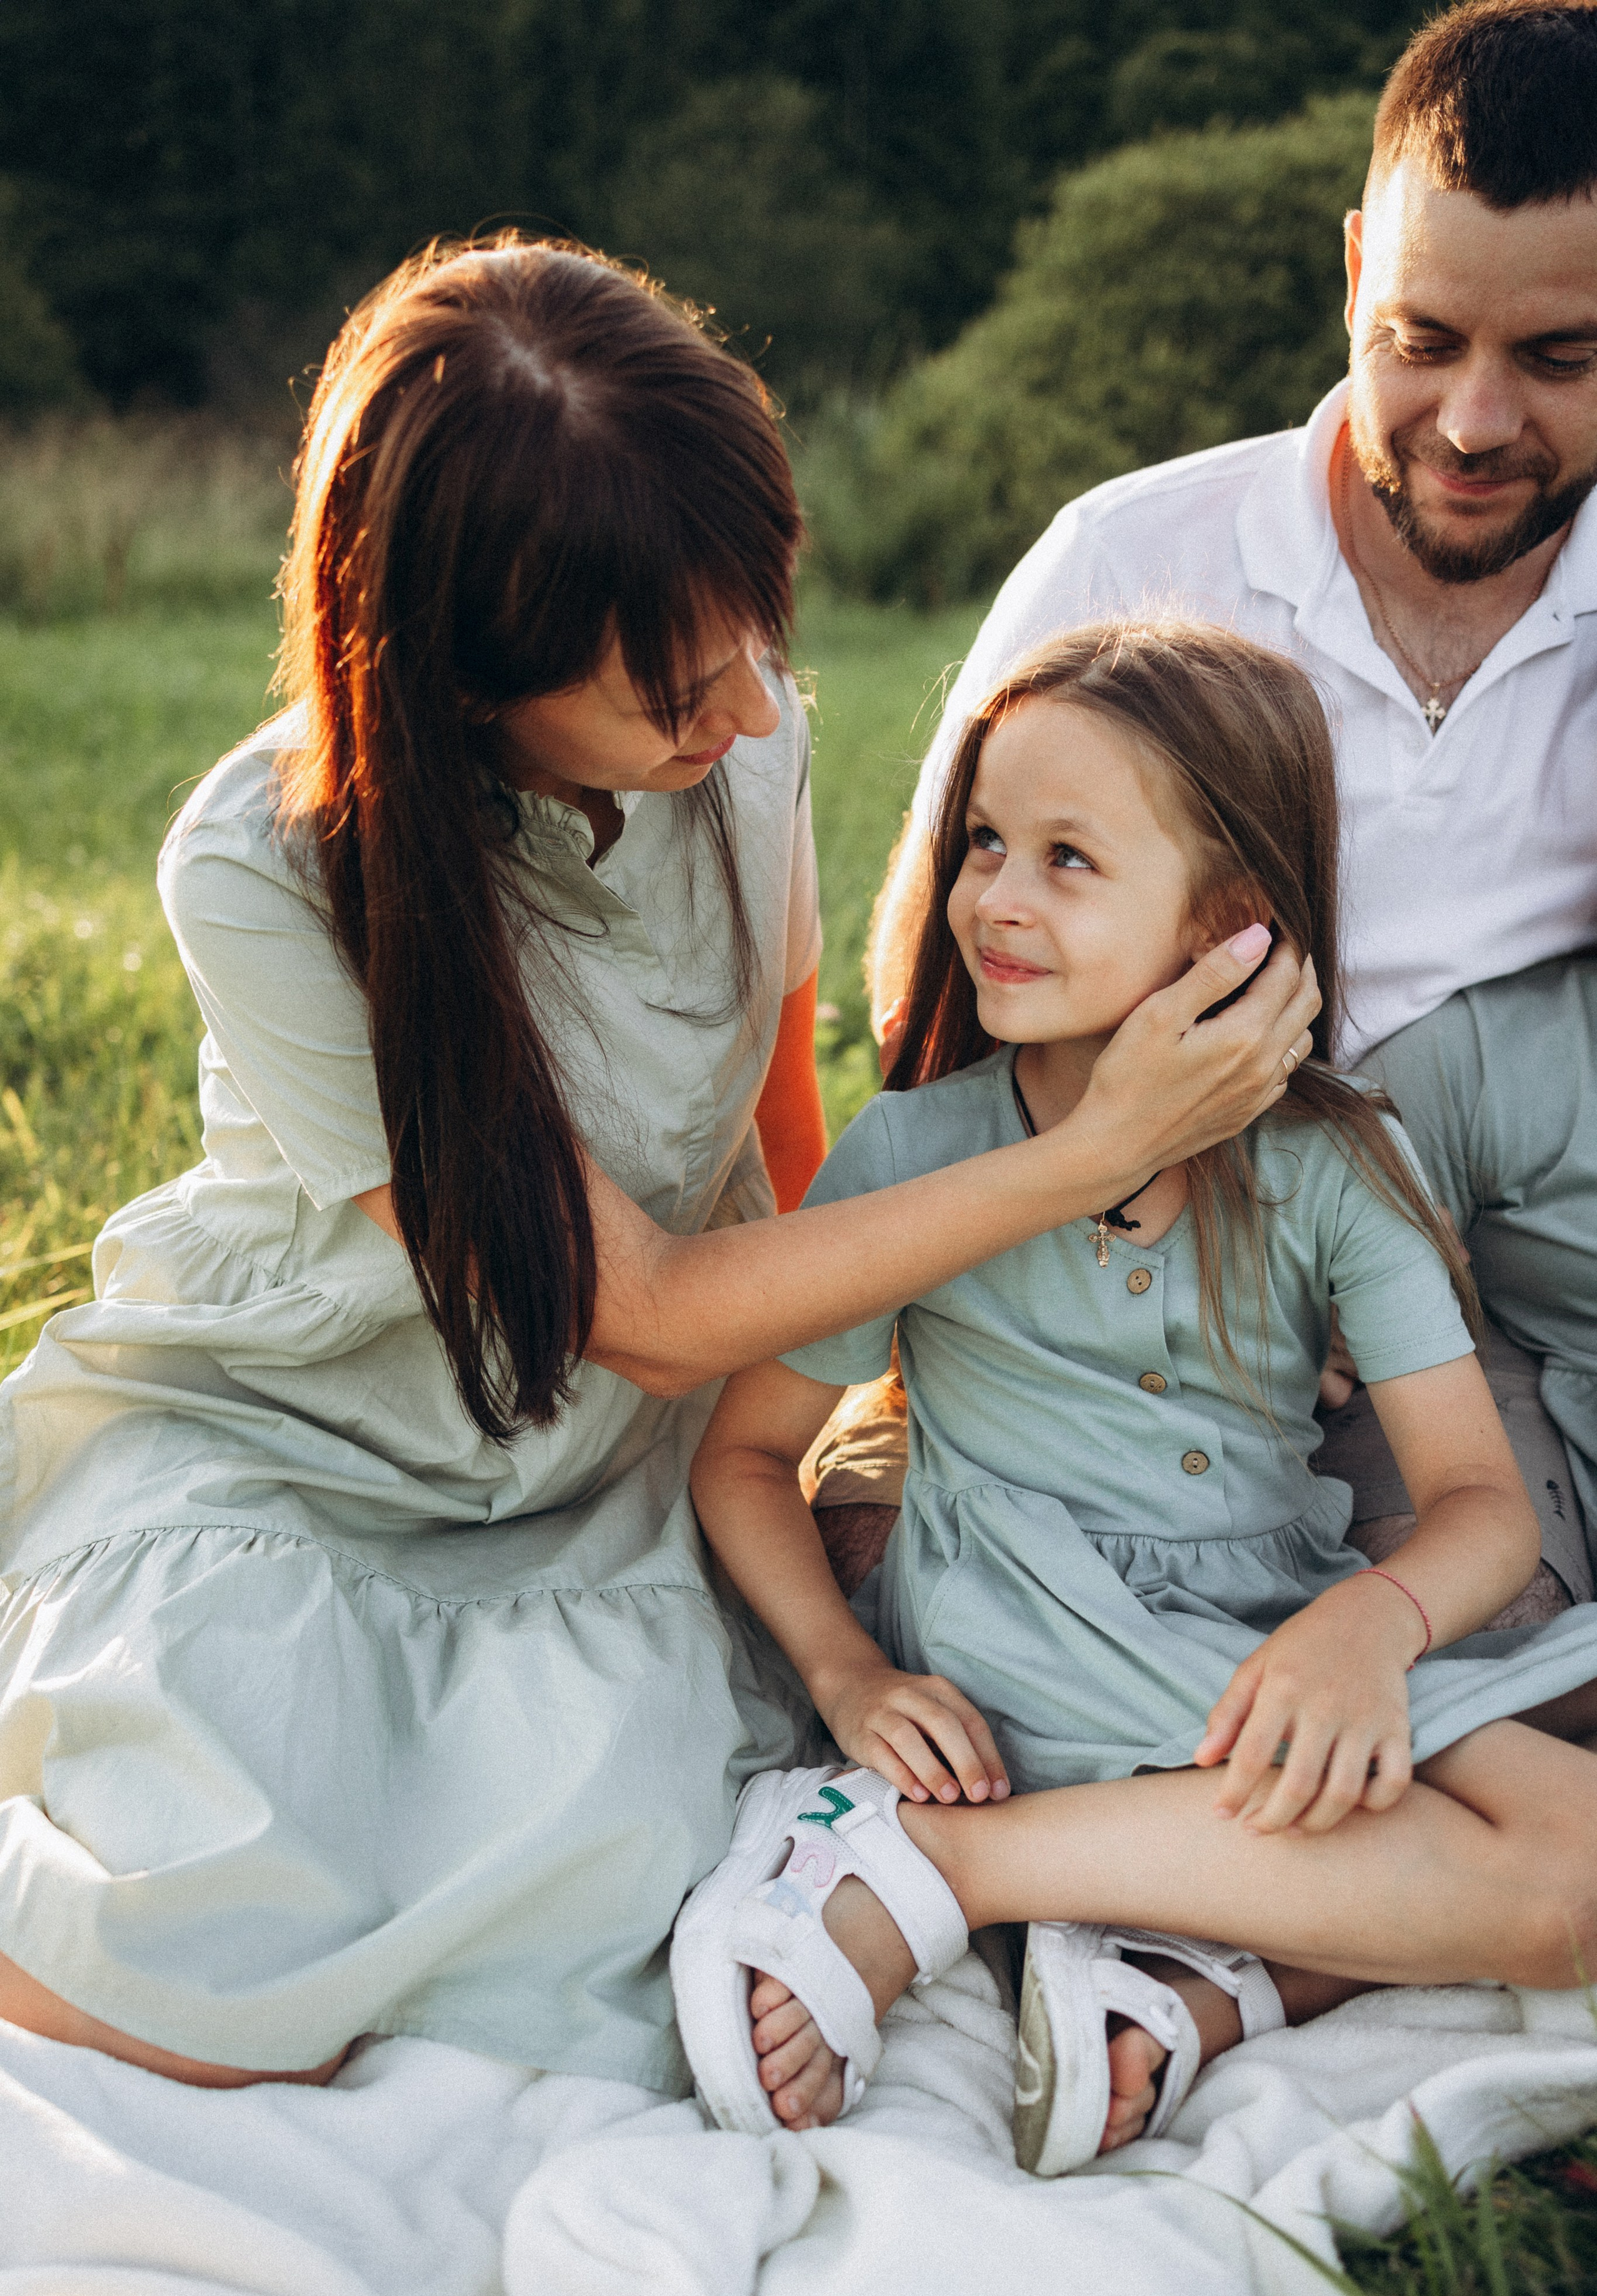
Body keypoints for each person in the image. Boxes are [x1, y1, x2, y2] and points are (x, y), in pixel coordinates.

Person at [0, 239, 1317, 2094]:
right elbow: (639, 1310)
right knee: (190, 1963)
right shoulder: (266, 867)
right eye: (673, 692)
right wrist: (1096, 1146)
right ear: (460, 683)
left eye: (749, 643)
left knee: (616, 1897)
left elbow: (776, 1136)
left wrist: (870, 1415)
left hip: (619, 1465)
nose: (753, 716)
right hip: (305, 1439)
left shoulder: (744, 750)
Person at [676, 622, 1597, 2171]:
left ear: (1228, 926)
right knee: (1543, 1893)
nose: (994, 897)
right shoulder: (918, 1158)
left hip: (1268, 1623)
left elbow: (1476, 1504)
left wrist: (1366, 1627)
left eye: (1066, 860)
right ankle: (932, 1865)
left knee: (1577, 1861)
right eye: (983, 842)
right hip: (1028, 1628)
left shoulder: (1328, 1160)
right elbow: (748, 1458)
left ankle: (1190, 1966)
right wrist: (846, 1680)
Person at [820, 0, 1597, 1603]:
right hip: (1124, 1279)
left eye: (1556, 358)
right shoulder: (1128, 559)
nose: (1471, 424)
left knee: (1460, 1645)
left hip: (1465, 1286)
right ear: (1351, 277)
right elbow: (929, 989)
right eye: (1418, 340)